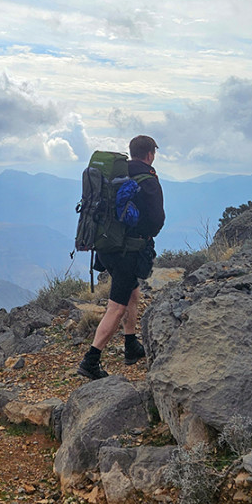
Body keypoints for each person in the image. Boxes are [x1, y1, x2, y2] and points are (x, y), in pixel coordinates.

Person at [77, 135, 165, 380]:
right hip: (126, 252)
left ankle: (130, 345)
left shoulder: (118, 175)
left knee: (132, 292)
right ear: (149, 154)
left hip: (106, 247)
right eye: (153, 154)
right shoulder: (148, 180)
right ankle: (91, 361)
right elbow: (157, 219)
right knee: (116, 307)